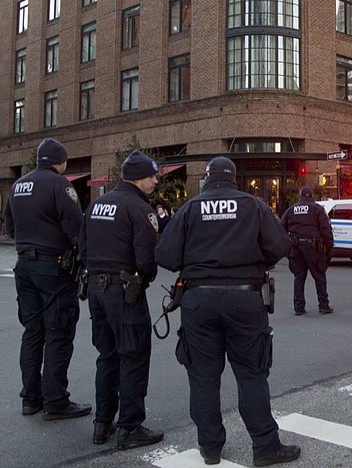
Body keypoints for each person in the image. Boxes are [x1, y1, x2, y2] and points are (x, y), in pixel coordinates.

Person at [156, 157, 299, 467]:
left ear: (207, 178)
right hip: (244, 300)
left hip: (198, 301)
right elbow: (279, 245)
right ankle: (265, 447)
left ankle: (210, 448)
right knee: (251, 376)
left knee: (204, 379)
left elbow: (165, 254)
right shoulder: (253, 205)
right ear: (234, 178)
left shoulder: (191, 208)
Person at [79, 150, 163, 449]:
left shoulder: (97, 205)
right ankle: (130, 427)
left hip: (96, 289)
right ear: (138, 177)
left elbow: (83, 246)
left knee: (107, 355)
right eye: (152, 175)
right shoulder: (140, 209)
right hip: (124, 292)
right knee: (134, 355)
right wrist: (144, 279)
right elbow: (147, 259)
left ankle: (103, 423)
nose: (156, 180)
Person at [4, 138, 92, 420]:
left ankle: (31, 398)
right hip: (53, 268)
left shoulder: (18, 185)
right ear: (61, 162)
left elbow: (9, 227)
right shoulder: (60, 185)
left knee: (32, 332)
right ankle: (55, 401)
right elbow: (76, 228)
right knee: (59, 332)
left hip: (24, 266)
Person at [280, 186, 334, 315]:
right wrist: (329, 248)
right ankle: (323, 305)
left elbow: (280, 229)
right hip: (313, 247)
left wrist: (287, 247)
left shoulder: (291, 210)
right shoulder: (317, 209)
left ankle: (298, 308)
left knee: (299, 277)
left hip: (295, 247)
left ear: (300, 195)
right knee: (319, 276)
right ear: (312, 195)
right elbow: (326, 230)